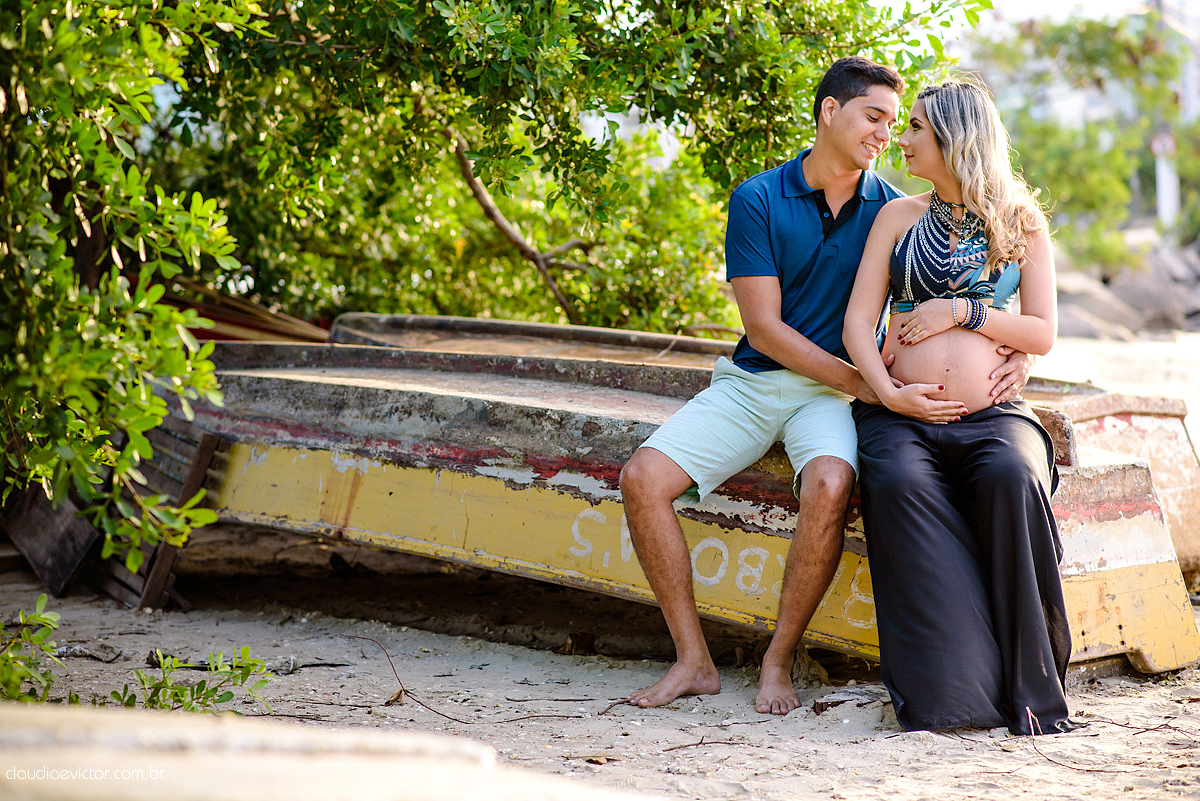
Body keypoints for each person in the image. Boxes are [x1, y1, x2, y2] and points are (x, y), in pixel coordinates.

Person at [619, 58, 1035, 715]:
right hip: (755, 381)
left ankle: (778, 659)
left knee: (832, 484)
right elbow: (763, 327)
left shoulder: (894, 209)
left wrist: (1017, 355)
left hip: (829, 399)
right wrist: (874, 387)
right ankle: (693, 659)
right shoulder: (757, 197)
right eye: (874, 117)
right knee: (641, 479)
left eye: (896, 124)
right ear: (828, 112)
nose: (887, 135)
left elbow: (969, 284)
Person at [842, 77, 1072, 735]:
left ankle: (1029, 686)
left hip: (994, 416)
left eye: (915, 128)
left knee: (1014, 476)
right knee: (896, 479)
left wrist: (963, 311)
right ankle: (953, 695)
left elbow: (1042, 333)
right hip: (901, 416)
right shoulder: (896, 216)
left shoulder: (1022, 221)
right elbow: (860, 323)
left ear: (955, 139)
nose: (902, 139)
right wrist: (889, 394)